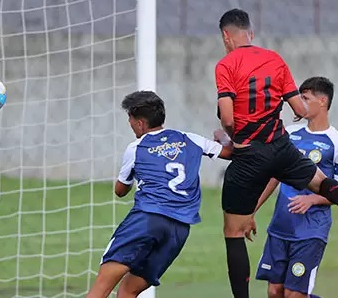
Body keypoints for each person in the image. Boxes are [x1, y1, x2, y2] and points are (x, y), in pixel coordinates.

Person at [213, 8, 338, 298]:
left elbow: (228, 118)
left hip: (249, 156)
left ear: (225, 36)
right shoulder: (275, 59)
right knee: (320, 180)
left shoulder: (226, 65)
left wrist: (233, 138)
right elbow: (299, 109)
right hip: (282, 147)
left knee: (233, 234)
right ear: (251, 33)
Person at [85, 91, 233, 298]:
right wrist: (224, 137)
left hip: (146, 220)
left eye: (130, 118)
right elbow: (230, 153)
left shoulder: (136, 148)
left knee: (101, 287)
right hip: (178, 229)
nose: (129, 123)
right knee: (129, 291)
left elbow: (120, 191)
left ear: (140, 123)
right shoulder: (189, 138)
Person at [253, 76, 338, 298]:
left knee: (294, 294)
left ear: (323, 101)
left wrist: (312, 199)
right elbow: (273, 176)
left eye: (305, 99)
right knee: (274, 291)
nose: (300, 104)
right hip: (281, 226)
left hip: (311, 231)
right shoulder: (289, 134)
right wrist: (252, 210)